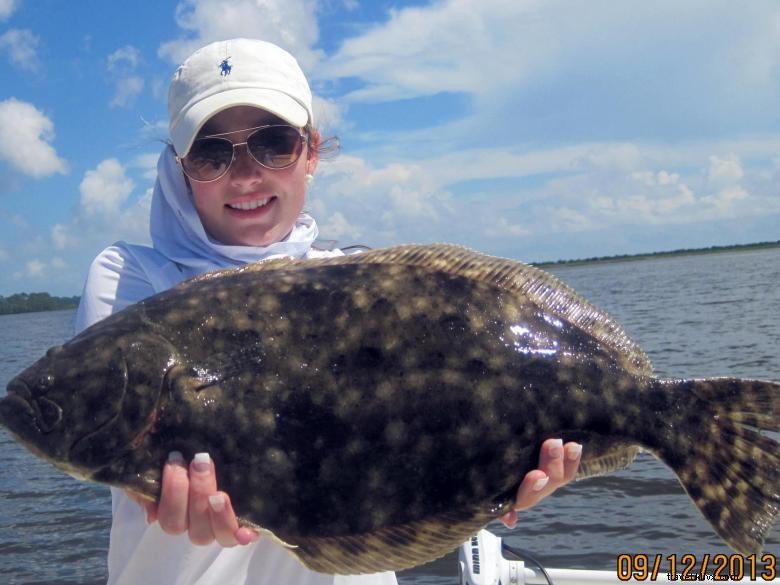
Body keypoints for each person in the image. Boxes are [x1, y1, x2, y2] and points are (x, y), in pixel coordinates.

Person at [74, 38, 583, 585]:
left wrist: (498, 477)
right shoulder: (134, 283)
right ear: (180, 168)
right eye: (211, 153)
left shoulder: (363, 280)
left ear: (311, 151)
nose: (245, 175)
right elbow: (115, 433)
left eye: (273, 143)